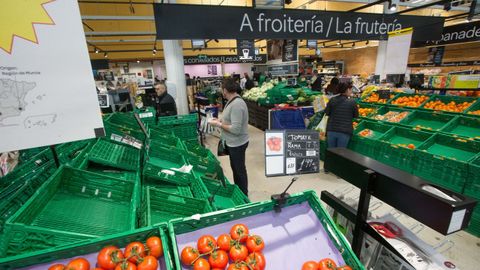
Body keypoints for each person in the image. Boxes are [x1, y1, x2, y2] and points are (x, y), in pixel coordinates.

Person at [209, 79, 249, 196]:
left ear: (225, 90)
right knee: (236, 168)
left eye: (222, 89)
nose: (221, 92)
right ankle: (239, 190)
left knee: (239, 170)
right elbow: (230, 118)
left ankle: (243, 194)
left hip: (237, 143)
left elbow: (236, 129)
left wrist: (219, 124)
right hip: (232, 142)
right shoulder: (231, 101)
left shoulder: (237, 104)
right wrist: (220, 120)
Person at [324, 82, 359, 173]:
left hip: (332, 129)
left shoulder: (332, 100)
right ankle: (339, 172)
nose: (351, 91)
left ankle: (328, 168)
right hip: (344, 131)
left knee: (331, 150)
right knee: (341, 152)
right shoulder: (352, 102)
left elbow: (327, 113)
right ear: (347, 90)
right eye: (350, 89)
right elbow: (356, 116)